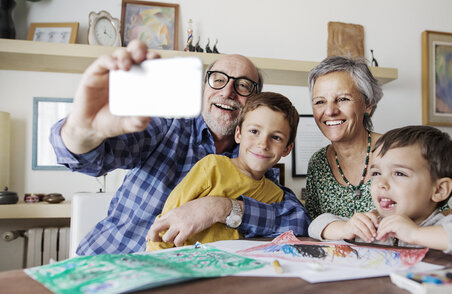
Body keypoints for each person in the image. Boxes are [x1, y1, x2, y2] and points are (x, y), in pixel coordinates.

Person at [50, 40, 309, 255]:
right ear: (204, 87)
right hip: (113, 261)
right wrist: (83, 130)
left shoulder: (256, 159)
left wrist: (222, 208)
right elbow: (91, 158)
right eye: (218, 79)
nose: (228, 91)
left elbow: (297, 220)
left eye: (242, 85)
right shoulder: (166, 125)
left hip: (190, 285)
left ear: (255, 102)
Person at [309, 125, 452, 264]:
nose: (381, 183)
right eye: (376, 173)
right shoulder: (373, 226)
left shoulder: (447, 225)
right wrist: (345, 228)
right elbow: (317, 224)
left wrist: (416, 234)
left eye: (399, 174)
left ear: (439, 190)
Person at [146, 92, 299, 251]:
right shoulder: (212, 168)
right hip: (181, 264)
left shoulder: (275, 195)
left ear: (287, 148)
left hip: (234, 268)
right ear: (238, 134)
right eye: (254, 131)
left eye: (276, 137)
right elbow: (165, 224)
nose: (263, 144)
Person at [305, 56, 384, 220]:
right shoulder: (318, 163)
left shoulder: (396, 150)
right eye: (320, 102)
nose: (330, 111)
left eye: (342, 99)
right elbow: (312, 225)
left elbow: (435, 215)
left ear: (367, 104)